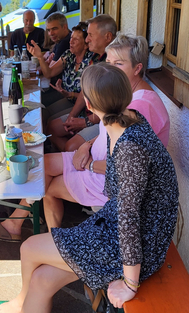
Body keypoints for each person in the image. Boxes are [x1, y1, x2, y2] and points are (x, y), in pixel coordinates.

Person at [0, 63, 178, 313]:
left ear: (88, 106)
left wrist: (130, 284)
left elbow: (129, 219)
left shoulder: (130, 149)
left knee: (29, 248)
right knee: (42, 280)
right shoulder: (129, 120)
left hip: (139, 247)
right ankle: (24, 301)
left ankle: (20, 303)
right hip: (124, 229)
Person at [43, 33, 170, 230]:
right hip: (93, 159)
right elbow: (106, 133)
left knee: (48, 187)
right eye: (108, 61)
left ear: (138, 68)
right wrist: (86, 145)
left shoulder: (140, 107)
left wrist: (90, 165)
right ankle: (22, 227)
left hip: (106, 179)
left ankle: (55, 242)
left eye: (118, 64)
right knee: (42, 166)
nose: (109, 69)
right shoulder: (122, 94)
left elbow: (124, 167)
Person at [47, 14, 116, 151]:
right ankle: (71, 160)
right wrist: (72, 117)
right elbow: (85, 91)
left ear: (107, 37)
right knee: (51, 128)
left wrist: (85, 122)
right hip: (87, 113)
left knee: (70, 146)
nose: (87, 39)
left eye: (90, 35)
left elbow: (112, 108)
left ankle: (76, 162)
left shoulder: (113, 62)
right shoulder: (95, 57)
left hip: (103, 121)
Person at [41, 13, 72, 107]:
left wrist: (39, 57)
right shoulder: (59, 41)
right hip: (58, 88)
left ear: (65, 27)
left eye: (54, 29)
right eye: (49, 30)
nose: (50, 33)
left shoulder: (65, 42)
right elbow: (48, 64)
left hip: (65, 92)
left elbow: (49, 72)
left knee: (36, 101)